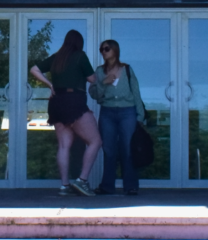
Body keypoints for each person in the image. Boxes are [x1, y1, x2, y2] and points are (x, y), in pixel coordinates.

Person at [29, 29, 101, 196]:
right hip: (73, 101)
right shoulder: (80, 56)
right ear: (79, 43)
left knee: (63, 145)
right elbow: (92, 79)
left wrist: (50, 85)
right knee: (95, 141)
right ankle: (82, 180)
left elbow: (34, 69)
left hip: (56, 102)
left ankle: (64, 185)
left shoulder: (57, 57)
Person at [89, 39, 145, 196]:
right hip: (107, 112)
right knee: (109, 150)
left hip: (128, 112)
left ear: (115, 50)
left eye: (106, 48)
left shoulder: (126, 69)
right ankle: (107, 186)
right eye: (101, 49)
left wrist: (140, 116)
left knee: (127, 149)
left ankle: (131, 186)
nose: (103, 52)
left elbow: (136, 92)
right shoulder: (99, 71)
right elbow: (94, 94)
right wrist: (104, 83)